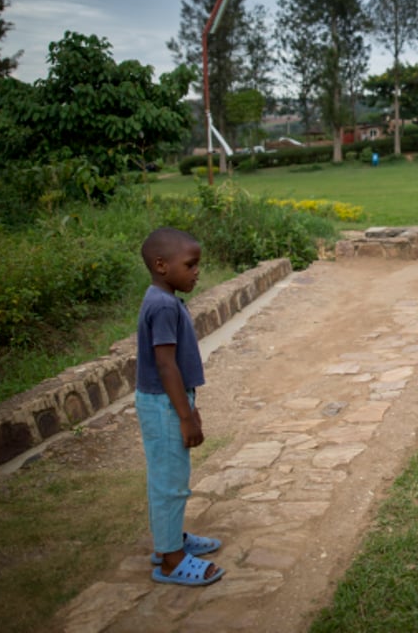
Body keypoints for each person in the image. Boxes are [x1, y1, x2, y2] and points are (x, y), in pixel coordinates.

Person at [136, 227, 225, 586]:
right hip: (162, 405)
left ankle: (170, 540)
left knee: (172, 477)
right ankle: (171, 559)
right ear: (161, 265)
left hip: (169, 400)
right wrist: (185, 416)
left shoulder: (166, 299)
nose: (196, 272)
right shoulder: (161, 305)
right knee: (169, 481)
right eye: (189, 265)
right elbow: (165, 364)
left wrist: (190, 405)